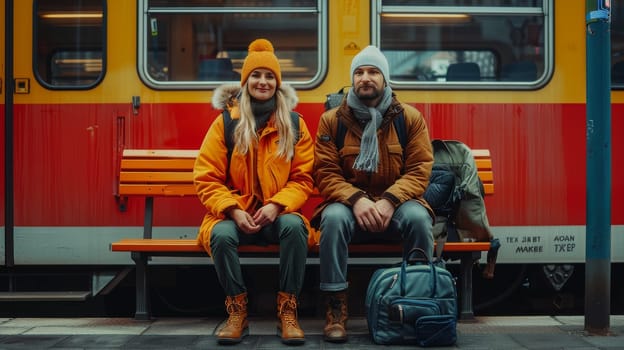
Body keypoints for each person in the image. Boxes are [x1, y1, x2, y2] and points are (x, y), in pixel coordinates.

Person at [193, 38, 315, 345]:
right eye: (256, 76)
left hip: (277, 216)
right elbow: (206, 177)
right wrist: (233, 209)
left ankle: (288, 311)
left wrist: (276, 205)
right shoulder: (225, 123)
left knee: (295, 227)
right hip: (239, 213)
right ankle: (237, 311)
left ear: (277, 82)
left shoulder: (295, 124)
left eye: (270, 76)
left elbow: (303, 178)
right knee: (219, 234)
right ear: (245, 82)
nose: (263, 82)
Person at [311, 45, 435, 343]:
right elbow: (325, 172)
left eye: (373, 72)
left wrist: (390, 200)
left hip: (398, 204)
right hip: (351, 205)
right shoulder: (332, 120)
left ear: (385, 78)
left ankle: (416, 302)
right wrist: (357, 199)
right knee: (333, 219)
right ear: (353, 79)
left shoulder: (409, 118)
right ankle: (336, 310)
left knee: (419, 218)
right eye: (359, 72)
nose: (365, 78)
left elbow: (419, 169)